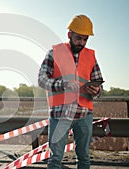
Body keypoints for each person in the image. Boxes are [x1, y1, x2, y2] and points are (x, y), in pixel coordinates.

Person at [38, 14, 104, 169]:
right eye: (78, 38)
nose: (82, 42)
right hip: (61, 114)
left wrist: (96, 90)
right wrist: (63, 84)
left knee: (84, 158)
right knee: (55, 160)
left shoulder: (91, 57)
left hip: (84, 115)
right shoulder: (54, 53)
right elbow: (42, 80)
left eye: (85, 39)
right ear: (70, 35)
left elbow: (99, 84)